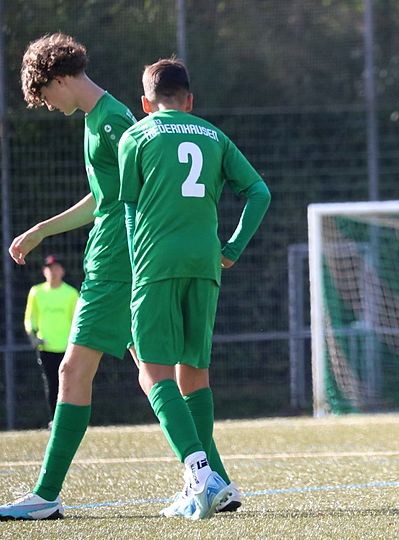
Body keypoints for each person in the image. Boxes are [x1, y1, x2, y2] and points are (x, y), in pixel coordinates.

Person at [118, 58, 270, 519]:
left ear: (145, 103)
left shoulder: (136, 136)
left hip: (156, 262)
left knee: (152, 371)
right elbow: (259, 192)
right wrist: (233, 248)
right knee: (194, 373)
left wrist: (136, 263)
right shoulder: (214, 136)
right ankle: (217, 481)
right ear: (189, 100)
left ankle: (199, 474)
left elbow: (129, 211)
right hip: (206, 263)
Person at [0, 33, 141, 521]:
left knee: (72, 371)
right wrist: (42, 229)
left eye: (45, 95)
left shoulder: (113, 121)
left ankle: (45, 493)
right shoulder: (96, 118)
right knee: (153, 371)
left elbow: (143, 190)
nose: (48, 106)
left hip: (116, 261)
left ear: (59, 79)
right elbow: (104, 199)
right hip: (119, 257)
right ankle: (211, 475)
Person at [23, 255, 79, 425]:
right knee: (52, 383)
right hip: (46, 347)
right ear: (44, 271)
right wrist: (33, 337)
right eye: (49, 268)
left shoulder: (71, 293)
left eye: (56, 268)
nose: (53, 272)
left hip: (67, 348)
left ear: (62, 271)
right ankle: (55, 420)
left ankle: (69, 420)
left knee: (70, 384)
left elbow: (77, 321)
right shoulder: (36, 292)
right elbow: (29, 318)